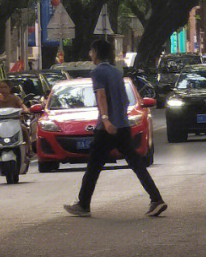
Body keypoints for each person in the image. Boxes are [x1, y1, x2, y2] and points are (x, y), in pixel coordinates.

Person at [65, 37, 166, 217]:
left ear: (96, 52)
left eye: (91, 51)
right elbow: (124, 100)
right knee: (136, 164)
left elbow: (101, 96)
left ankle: (83, 204)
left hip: (107, 128)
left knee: (94, 167)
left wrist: (105, 120)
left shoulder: (97, 72)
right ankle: (156, 199)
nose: (90, 54)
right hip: (123, 126)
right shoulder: (116, 72)